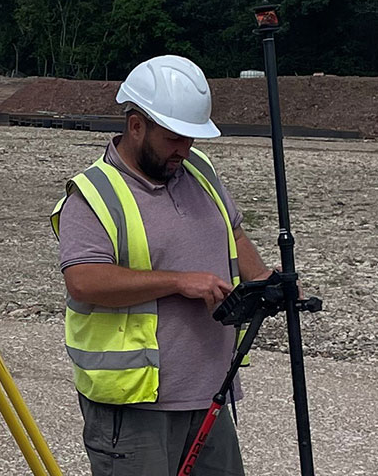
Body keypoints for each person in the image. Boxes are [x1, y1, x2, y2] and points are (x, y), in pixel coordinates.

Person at [49, 55, 274, 476]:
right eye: (174, 138)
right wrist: (177, 282)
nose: (184, 149)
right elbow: (83, 280)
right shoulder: (93, 194)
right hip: (135, 408)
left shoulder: (198, 169)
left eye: (190, 138)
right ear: (136, 125)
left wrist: (266, 282)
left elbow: (234, 233)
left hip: (211, 392)